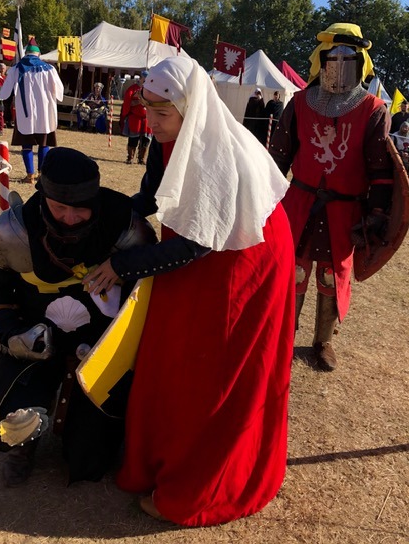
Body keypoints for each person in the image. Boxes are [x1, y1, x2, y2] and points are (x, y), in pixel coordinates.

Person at [83, 56, 295, 526]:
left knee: (216, 367)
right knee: (171, 350)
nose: (152, 122)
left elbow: (196, 246)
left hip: (246, 257)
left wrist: (120, 265)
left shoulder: (213, 154)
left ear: (189, 108)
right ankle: (159, 455)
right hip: (203, 246)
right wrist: (102, 218)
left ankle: (203, 481)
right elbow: (150, 195)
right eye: (148, 110)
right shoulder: (167, 138)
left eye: (162, 113)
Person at [0, 147, 157, 488]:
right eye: (59, 208)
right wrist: (12, 335)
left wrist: (122, 268)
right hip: (35, 327)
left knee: (89, 461)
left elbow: (145, 289)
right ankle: (22, 447)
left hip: (97, 340)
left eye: (81, 209)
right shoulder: (13, 231)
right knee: (17, 414)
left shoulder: (124, 227)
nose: (70, 218)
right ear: (44, 197)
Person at [269, 22, 393, 371]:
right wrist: (264, 199)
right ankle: (284, 334)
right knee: (294, 271)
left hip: (344, 209)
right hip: (299, 202)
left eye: (348, 59)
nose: (339, 67)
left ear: (361, 64)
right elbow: (277, 158)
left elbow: (381, 172)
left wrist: (377, 213)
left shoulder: (373, 109)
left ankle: (322, 342)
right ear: (321, 61)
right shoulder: (299, 103)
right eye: (332, 59)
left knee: (330, 275)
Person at [0, 38, 63, 184]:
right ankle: (41, 174)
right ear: (38, 54)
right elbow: (60, 92)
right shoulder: (49, 69)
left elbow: (5, 92)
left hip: (25, 113)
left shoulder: (16, 68)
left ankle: (30, 176)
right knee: (44, 144)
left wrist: (1, 96)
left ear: (26, 53)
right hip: (44, 112)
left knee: (26, 144)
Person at [120, 72, 152, 165]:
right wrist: (138, 101)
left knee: (146, 139)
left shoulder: (151, 89)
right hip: (135, 118)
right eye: (144, 78)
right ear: (141, 78)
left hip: (147, 118)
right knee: (133, 138)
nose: (146, 80)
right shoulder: (133, 89)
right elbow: (127, 103)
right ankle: (130, 158)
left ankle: (141, 159)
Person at [0, 63, 13, 128]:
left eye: (3, 68)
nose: (2, 70)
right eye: (1, 68)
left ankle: (8, 121)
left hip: (8, 95)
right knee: (0, 108)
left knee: (7, 108)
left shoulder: (8, 77)